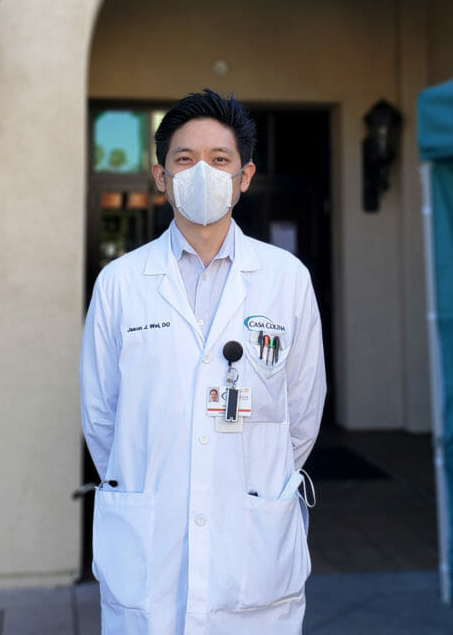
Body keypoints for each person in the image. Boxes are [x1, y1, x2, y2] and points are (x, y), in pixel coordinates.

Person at [80, 89, 327, 635]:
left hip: (253, 554)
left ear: (245, 177)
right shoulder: (120, 283)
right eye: (184, 160)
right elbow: (102, 420)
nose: (202, 173)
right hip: (152, 549)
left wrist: (245, 480)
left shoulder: (287, 279)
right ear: (160, 176)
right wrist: (151, 481)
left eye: (220, 160)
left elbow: (302, 413)